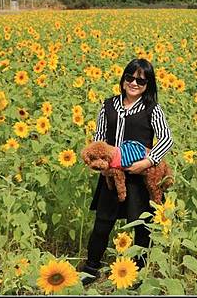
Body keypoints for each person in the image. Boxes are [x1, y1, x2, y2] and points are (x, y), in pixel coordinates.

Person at [79, 58, 174, 285]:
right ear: (123, 81)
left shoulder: (152, 109)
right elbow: (99, 136)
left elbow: (167, 139)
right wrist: (101, 163)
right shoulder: (108, 105)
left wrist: (148, 161)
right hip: (112, 176)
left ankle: (138, 275)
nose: (134, 83)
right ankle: (91, 268)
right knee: (102, 222)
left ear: (148, 85)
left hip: (139, 178)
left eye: (141, 81)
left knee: (141, 226)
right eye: (130, 78)